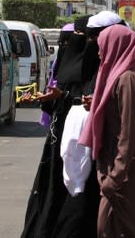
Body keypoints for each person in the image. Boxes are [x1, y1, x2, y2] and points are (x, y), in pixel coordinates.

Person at [21, 17, 99, 238]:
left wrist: (68, 98)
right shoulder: (69, 70)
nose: (71, 46)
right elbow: (60, 108)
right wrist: (47, 99)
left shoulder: (98, 75)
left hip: (85, 160)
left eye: (81, 39)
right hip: (57, 155)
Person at [79, 24, 135, 238]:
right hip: (120, 169)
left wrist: (115, 176)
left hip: (128, 172)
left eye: (102, 45)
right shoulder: (120, 77)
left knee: (118, 228)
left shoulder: (128, 80)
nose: (98, 51)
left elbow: (128, 132)